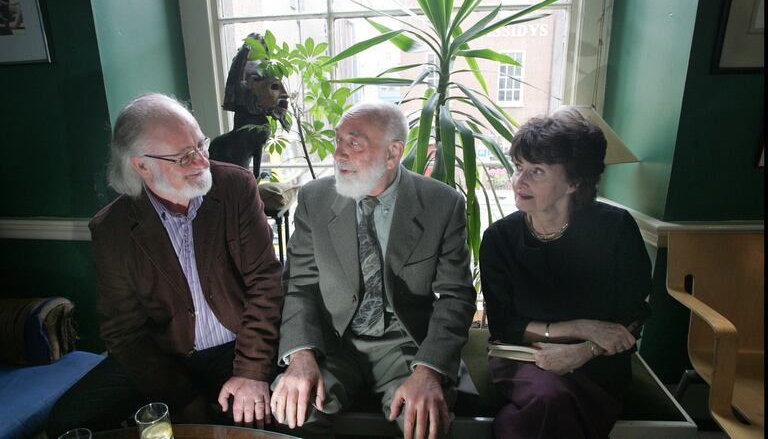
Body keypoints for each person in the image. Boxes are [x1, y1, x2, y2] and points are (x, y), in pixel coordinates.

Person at [46, 93, 284, 437]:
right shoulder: (112, 229)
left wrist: (251, 371)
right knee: (67, 424)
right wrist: (180, 398)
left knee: (271, 418)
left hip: (237, 346)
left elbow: (266, 282)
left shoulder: (235, 187)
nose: (202, 161)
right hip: (163, 355)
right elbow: (123, 331)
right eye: (185, 156)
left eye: (201, 144)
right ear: (141, 165)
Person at [270, 101, 476, 439]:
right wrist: (301, 356)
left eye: (353, 143)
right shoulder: (314, 199)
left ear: (393, 154)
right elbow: (300, 285)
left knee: (423, 423)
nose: (338, 154)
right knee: (292, 413)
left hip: (404, 346)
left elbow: (456, 296)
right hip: (334, 341)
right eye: (337, 141)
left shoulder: (442, 203)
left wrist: (429, 371)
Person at [479, 107, 652, 439]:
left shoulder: (615, 228)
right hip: (525, 358)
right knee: (549, 396)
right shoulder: (500, 237)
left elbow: (633, 312)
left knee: (552, 403)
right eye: (518, 168)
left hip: (597, 363)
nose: (519, 181)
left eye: (537, 171)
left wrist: (584, 350)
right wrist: (581, 327)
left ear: (574, 181)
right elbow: (505, 325)